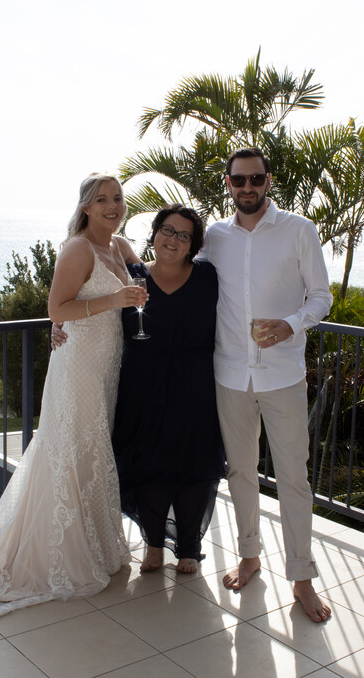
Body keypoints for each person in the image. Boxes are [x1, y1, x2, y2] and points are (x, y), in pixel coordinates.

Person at [0, 173, 145, 630]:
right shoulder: (77, 248)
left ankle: (93, 544)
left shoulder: (119, 246)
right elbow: (58, 309)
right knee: (69, 449)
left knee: (93, 451)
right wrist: (115, 298)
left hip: (108, 364)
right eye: (102, 200)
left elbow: (149, 272)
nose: (112, 205)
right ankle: (58, 555)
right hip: (77, 367)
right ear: (86, 206)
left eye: (117, 198)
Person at [198, 147, 333, 622]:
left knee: (295, 479)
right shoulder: (214, 237)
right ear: (229, 185)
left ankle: (301, 579)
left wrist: (291, 324)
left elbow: (321, 296)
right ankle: (250, 556)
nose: (248, 188)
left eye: (256, 179)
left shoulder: (299, 230)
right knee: (241, 474)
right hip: (229, 373)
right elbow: (174, 273)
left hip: (283, 376)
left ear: (269, 181)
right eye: (239, 181)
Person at [112, 205, 226, 573]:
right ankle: (154, 544)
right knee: (148, 462)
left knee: (193, 462)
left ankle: (189, 547)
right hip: (142, 382)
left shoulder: (208, 276)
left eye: (183, 235)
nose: (172, 239)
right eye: (166, 230)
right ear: (155, 232)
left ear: (194, 244)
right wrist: (58, 324)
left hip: (195, 383)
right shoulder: (132, 277)